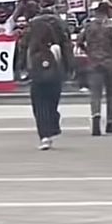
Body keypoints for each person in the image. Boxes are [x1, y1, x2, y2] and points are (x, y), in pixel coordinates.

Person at [78, 1, 112, 136]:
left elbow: (79, 41)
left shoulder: (88, 26)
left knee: (95, 95)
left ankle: (96, 121)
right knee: (111, 94)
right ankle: (110, 123)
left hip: (94, 61)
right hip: (109, 61)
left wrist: (88, 52)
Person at [26, 16, 64, 150]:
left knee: (40, 109)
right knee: (51, 107)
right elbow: (60, 64)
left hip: (38, 82)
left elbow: (29, 66)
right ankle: (53, 123)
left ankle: (44, 136)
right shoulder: (56, 47)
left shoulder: (31, 49)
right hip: (54, 81)